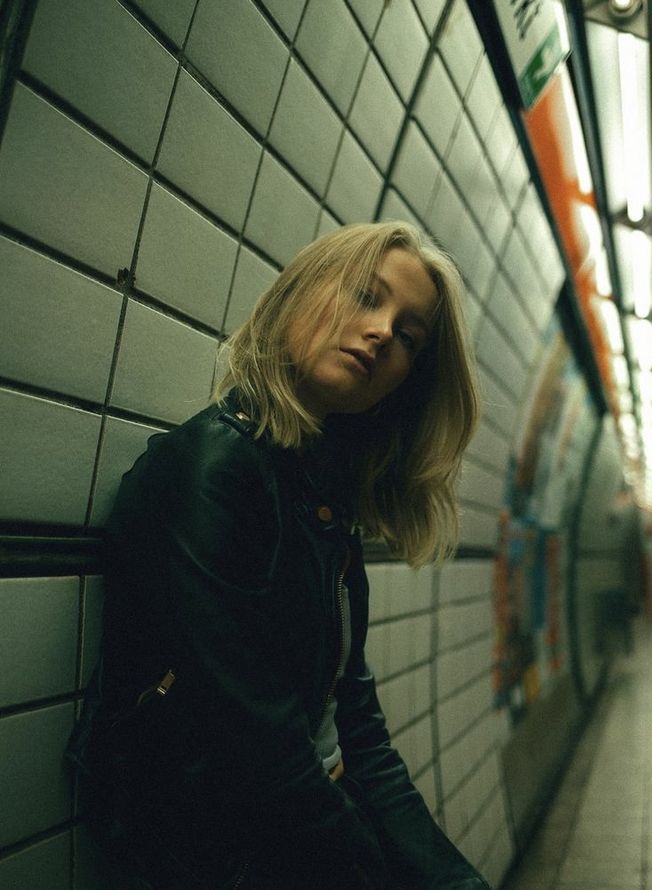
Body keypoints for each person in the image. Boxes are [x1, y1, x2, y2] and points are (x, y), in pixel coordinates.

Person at [69, 221, 491, 889]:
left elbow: (354, 721)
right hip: (212, 848)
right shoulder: (211, 472)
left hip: (291, 825)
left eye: (408, 337)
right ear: (297, 292)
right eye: (363, 295)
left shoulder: (322, 500)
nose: (382, 331)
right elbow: (250, 737)